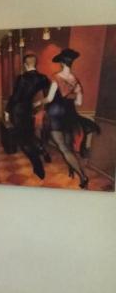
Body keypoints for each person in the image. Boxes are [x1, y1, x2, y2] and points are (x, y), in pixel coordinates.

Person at [43, 48, 100, 189]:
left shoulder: (56, 77)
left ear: (61, 63)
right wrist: (70, 98)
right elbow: (79, 103)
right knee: (68, 146)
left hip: (56, 114)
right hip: (70, 115)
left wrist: (38, 103)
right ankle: (71, 169)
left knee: (63, 148)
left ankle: (83, 176)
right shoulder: (76, 81)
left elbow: (49, 99)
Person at [4, 53, 50, 179]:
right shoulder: (43, 78)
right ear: (35, 64)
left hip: (18, 111)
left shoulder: (22, 78)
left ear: (25, 65)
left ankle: (38, 166)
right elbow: (47, 96)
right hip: (29, 110)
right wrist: (40, 105)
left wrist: (7, 110)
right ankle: (41, 150)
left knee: (23, 141)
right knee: (29, 135)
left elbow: (15, 97)